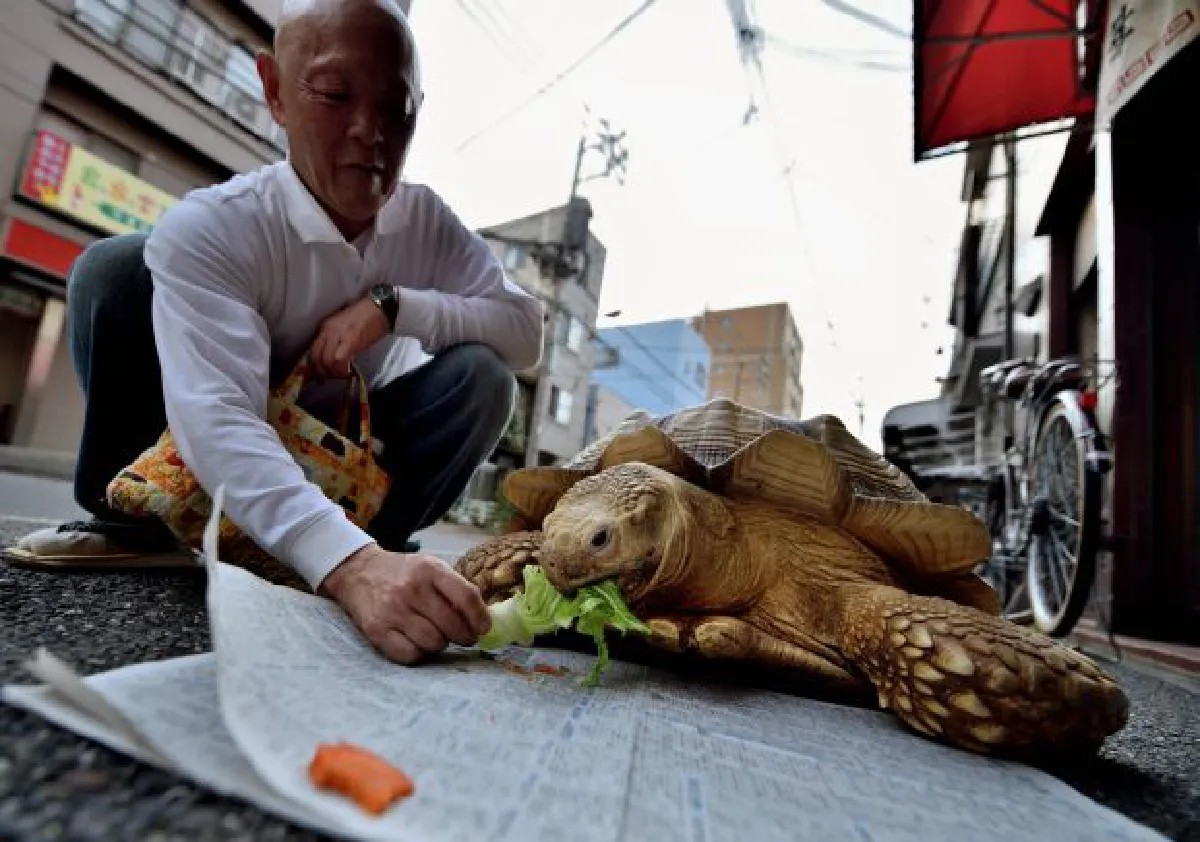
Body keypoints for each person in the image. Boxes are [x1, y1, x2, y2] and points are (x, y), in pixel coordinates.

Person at [4, 0, 544, 665]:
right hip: (209, 456)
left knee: (484, 379)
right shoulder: (216, 225)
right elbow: (217, 417)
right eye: (334, 94)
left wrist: (395, 306)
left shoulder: (427, 222)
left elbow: (525, 333)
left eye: (396, 107)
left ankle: (377, 548)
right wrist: (345, 566)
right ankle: (136, 524)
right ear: (275, 92)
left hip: (352, 471)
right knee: (113, 269)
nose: (370, 131)